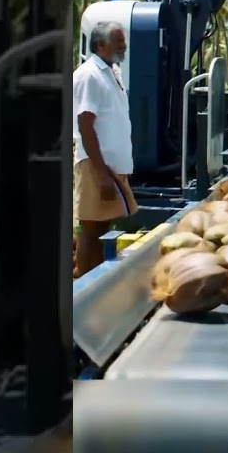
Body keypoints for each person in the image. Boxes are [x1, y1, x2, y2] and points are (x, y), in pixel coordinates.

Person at [73, 21, 138, 277]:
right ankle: (86, 289)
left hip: (110, 165)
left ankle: (96, 282)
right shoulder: (90, 75)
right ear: (100, 45)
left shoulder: (111, 71)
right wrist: (101, 174)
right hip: (96, 165)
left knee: (103, 228)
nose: (124, 46)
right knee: (91, 228)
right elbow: (85, 123)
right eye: (118, 42)